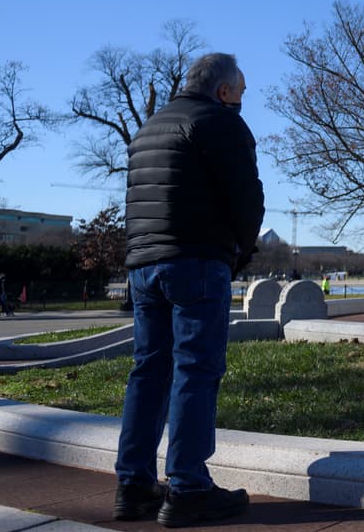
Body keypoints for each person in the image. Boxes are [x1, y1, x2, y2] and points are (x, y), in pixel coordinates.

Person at [113, 53, 264, 526]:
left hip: (144, 264)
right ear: (223, 91)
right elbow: (247, 199)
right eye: (240, 91)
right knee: (196, 371)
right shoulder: (220, 122)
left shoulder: (148, 129)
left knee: (148, 371)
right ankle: (188, 486)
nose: (241, 100)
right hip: (197, 260)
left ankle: (134, 485)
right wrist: (240, 250)